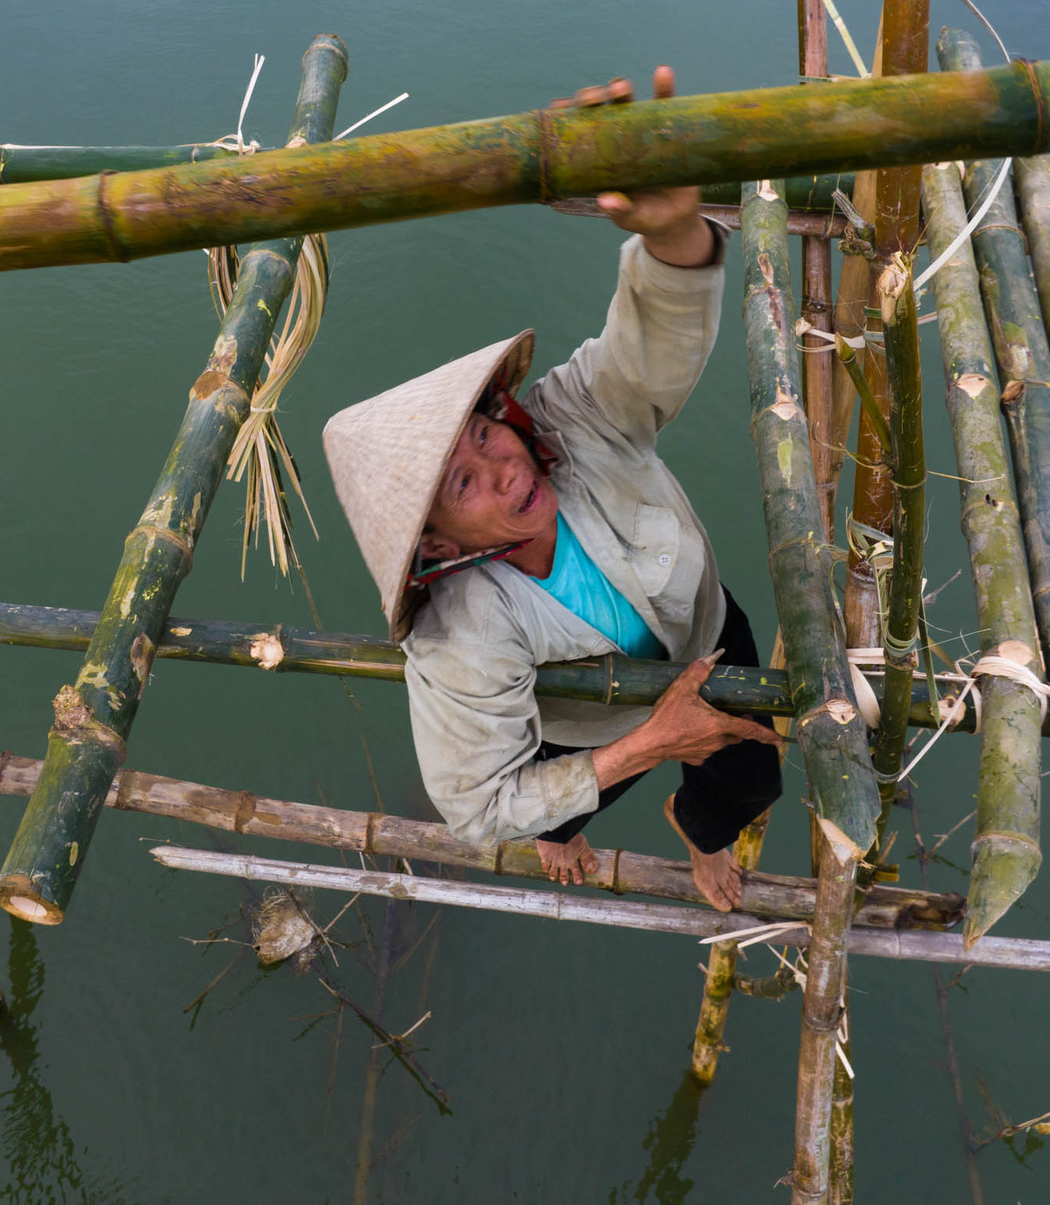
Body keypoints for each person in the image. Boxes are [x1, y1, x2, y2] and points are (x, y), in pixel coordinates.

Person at [322, 67, 781, 912]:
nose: (503, 466)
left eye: (486, 431)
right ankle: (567, 831)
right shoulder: (461, 630)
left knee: (755, 779)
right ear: (438, 545)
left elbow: (648, 348)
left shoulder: (571, 420)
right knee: (562, 802)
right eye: (463, 480)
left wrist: (675, 233)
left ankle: (702, 830)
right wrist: (649, 742)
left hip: (708, 635)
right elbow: (474, 806)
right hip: (589, 725)